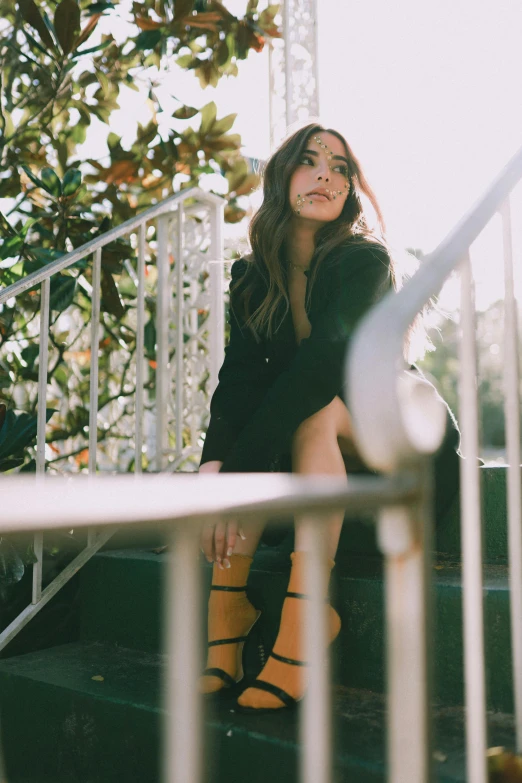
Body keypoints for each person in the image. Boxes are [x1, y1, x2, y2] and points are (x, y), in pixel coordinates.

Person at [197, 122, 460, 714]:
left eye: (341, 167)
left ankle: (306, 619)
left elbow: (322, 369)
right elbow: (240, 377)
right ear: (282, 174)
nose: (325, 175)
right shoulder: (253, 274)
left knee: (309, 413)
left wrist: (240, 475)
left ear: (351, 188)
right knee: (285, 428)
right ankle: (229, 607)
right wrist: (215, 463)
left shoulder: (362, 259)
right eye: (310, 161)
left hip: (404, 431)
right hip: (327, 449)